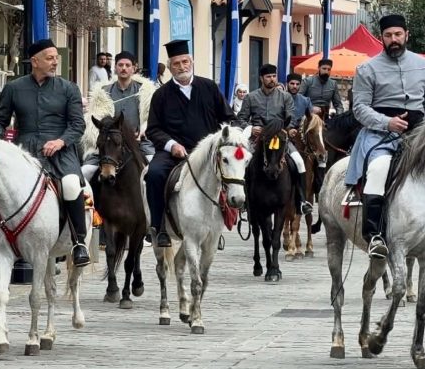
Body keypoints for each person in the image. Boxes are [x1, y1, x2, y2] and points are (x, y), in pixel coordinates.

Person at [344, 14, 425, 262]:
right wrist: (387, 122)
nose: (393, 39)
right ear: (381, 37)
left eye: (398, 34)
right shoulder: (366, 68)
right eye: (388, 35)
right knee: (379, 168)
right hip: (380, 134)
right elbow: (359, 108)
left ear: (406, 35)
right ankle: (375, 236)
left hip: (419, 133)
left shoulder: (424, 65)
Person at [0, 38, 91, 267]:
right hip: (24, 150)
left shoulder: (69, 88)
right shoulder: (13, 88)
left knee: (71, 184)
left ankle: (79, 242)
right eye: (50, 58)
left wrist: (60, 141)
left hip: (60, 151)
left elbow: (78, 125)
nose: (55, 62)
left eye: (56, 58)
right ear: (35, 61)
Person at [144, 40, 235, 248]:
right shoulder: (161, 95)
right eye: (176, 63)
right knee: (154, 174)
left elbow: (228, 118)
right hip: (174, 153)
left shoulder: (209, 87)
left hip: (207, 152)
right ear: (170, 67)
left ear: (191, 62)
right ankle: (159, 227)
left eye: (185, 62)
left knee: (234, 170)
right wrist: (171, 145)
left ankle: (218, 225)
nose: (182, 67)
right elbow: (153, 130)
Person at [237, 64, 312, 216]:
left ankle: (302, 201)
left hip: (280, 138)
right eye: (268, 77)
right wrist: (251, 128)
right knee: (242, 162)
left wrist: (288, 128)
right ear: (261, 78)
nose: (272, 79)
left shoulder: (285, 97)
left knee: (299, 162)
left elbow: (291, 118)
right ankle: (244, 200)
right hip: (257, 139)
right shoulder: (251, 97)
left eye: (274, 76)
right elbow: (240, 119)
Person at [82, 51, 155, 181]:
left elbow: (151, 117)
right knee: (86, 171)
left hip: (140, 142)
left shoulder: (145, 91)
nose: (124, 68)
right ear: (115, 68)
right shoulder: (103, 92)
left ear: (134, 68)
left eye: (127, 65)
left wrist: (143, 130)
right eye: (120, 65)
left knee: (154, 170)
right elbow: (96, 121)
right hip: (109, 144)